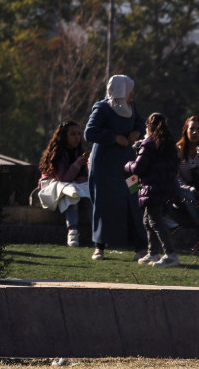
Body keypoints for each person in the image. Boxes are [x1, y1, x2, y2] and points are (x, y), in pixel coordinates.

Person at [83, 75, 148, 261]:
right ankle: (99, 247)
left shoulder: (132, 107)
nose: (132, 93)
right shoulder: (102, 108)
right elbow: (90, 132)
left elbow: (141, 123)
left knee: (134, 197)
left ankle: (141, 246)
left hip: (128, 163)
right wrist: (114, 137)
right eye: (129, 89)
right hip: (104, 165)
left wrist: (136, 131)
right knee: (103, 204)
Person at [124, 112, 180, 267]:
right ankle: (152, 253)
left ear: (148, 126)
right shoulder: (168, 143)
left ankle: (170, 254)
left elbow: (139, 168)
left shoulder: (148, 144)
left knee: (155, 222)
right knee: (148, 221)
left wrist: (127, 165)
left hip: (151, 187)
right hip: (164, 187)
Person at [37, 121, 90, 247]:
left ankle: (98, 231)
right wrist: (77, 164)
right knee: (70, 194)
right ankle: (72, 230)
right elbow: (63, 179)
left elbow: (85, 177)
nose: (77, 137)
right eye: (72, 134)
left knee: (91, 194)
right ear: (64, 136)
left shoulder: (79, 151)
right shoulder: (57, 154)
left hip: (73, 184)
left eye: (78, 134)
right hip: (53, 185)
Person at [173, 115, 199, 232]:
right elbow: (176, 177)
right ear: (186, 130)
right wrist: (190, 189)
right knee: (186, 195)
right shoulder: (178, 150)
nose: (195, 132)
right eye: (192, 129)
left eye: (198, 129)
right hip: (185, 189)